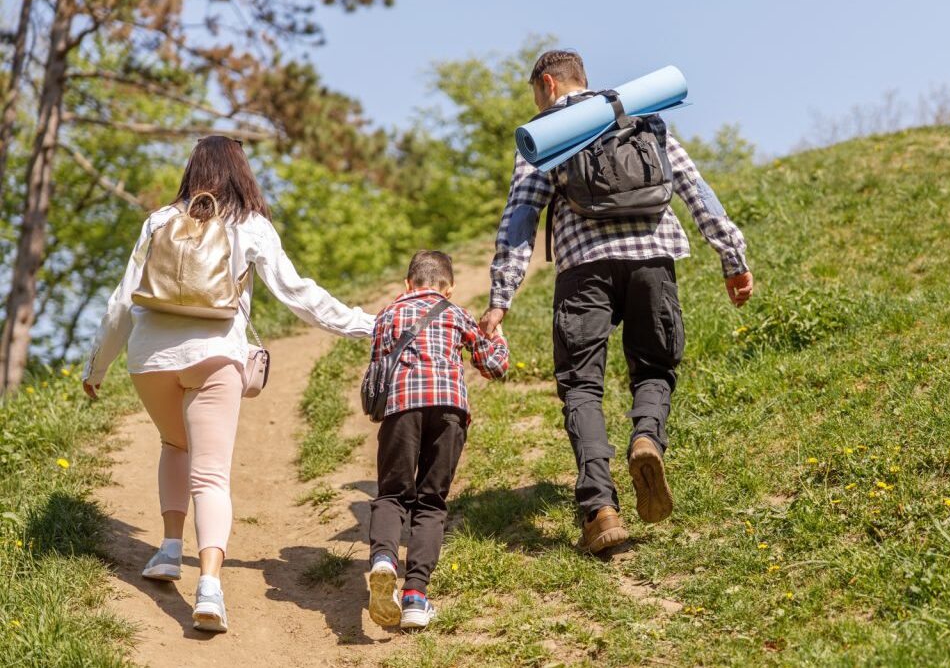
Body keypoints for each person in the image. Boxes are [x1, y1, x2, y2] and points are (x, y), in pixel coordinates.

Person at [81, 136, 375, 633]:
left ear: (192, 169)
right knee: (211, 475)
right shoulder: (250, 224)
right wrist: (367, 323)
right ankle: (210, 588)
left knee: (174, 444)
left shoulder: (158, 220)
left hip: (150, 358)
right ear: (241, 171)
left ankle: (169, 551)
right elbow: (297, 293)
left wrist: (98, 367)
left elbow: (121, 301)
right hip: (216, 354)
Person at [479, 50, 754, 554]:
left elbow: (520, 217)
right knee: (654, 367)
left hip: (584, 269)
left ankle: (600, 509)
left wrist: (500, 299)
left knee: (582, 386)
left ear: (548, 84)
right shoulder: (640, 114)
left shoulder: (549, 131)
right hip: (653, 259)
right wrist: (732, 258)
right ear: (583, 79)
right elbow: (694, 187)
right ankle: (646, 437)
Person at [366, 250, 509, 630]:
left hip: (401, 410)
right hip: (449, 412)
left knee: (392, 495)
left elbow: (378, 366)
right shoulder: (456, 313)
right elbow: (494, 367)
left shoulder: (387, 315)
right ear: (449, 288)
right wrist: (500, 340)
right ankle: (416, 597)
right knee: (430, 502)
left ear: (407, 284)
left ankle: (383, 560)